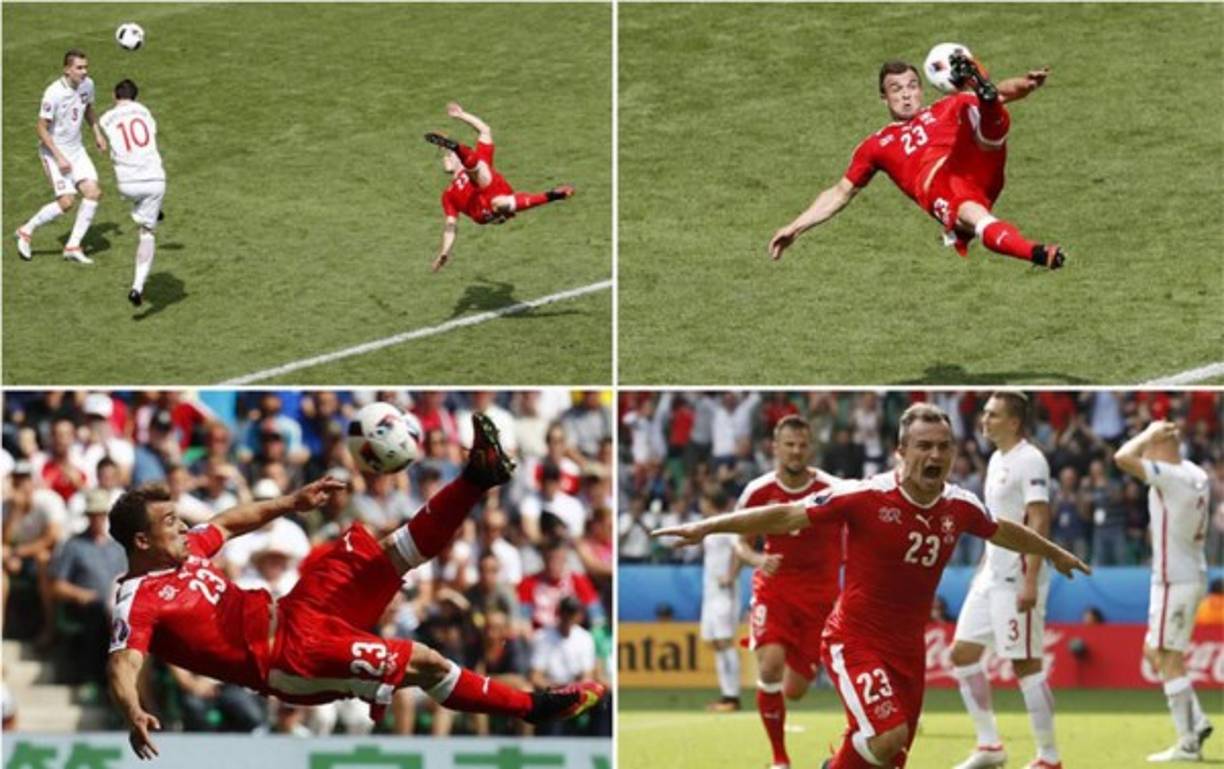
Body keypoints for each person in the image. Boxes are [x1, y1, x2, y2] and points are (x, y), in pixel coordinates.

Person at [107, 415, 605, 760]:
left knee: (387, 553)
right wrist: (133, 711)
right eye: (169, 523)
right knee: (426, 661)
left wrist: (291, 501)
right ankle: (533, 707)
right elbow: (123, 664)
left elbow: (228, 522)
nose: (182, 527)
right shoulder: (137, 599)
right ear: (142, 541)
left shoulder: (187, 549)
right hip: (290, 658)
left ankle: (478, 475)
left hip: (296, 609)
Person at [654, 403, 1089, 769]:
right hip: (854, 639)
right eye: (924, 446)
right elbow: (786, 515)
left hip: (908, 651)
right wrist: (706, 527)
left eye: (944, 446)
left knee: (889, 757)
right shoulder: (864, 496)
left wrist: (1053, 553)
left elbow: (1003, 530)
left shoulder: (960, 505)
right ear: (901, 452)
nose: (935, 454)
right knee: (886, 737)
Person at [768, 52, 1065, 270]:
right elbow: (840, 192)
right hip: (943, 186)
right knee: (977, 218)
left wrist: (1027, 84)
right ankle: (1038, 253)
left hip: (974, 162)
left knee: (972, 105)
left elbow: (1005, 92)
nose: (906, 95)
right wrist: (796, 227)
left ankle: (981, 93)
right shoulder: (875, 145)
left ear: (921, 90)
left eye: (912, 86)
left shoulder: (945, 106)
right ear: (884, 98)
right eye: (896, 90)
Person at [950, 392, 1059, 769]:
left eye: (993, 415)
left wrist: (1031, 578)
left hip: (1017, 576)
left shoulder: (1031, 459)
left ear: (1014, 422)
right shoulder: (998, 459)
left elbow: (1039, 519)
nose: (984, 420)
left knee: (1026, 665)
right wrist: (983, 566)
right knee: (961, 654)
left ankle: (1049, 757)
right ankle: (990, 745)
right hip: (991, 575)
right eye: (985, 413)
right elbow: (997, 522)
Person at [735, 415, 842, 768]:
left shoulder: (832, 489)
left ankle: (778, 707)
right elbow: (740, 541)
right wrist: (757, 559)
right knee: (770, 668)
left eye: (802, 445)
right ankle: (780, 759)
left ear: (810, 448)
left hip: (820, 597)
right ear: (775, 448)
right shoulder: (758, 491)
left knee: (794, 690)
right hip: (775, 590)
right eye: (789, 445)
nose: (796, 451)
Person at [1114, 420, 1214, 762]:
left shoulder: (1170, 476)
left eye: (1149, 445)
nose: (1145, 451)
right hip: (1187, 574)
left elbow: (1121, 458)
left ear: (1160, 444)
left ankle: (1188, 743)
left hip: (1175, 579)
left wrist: (1146, 434)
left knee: (1167, 656)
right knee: (1153, 651)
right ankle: (1196, 721)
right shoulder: (1195, 472)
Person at [426, 102, 575, 271]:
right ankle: (550, 196)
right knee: (484, 178)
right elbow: (450, 225)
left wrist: (461, 115)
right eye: (448, 156)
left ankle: (553, 195)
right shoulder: (448, 195)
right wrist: (444, 252)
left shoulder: (476, 161)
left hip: (496, 192)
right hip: (482, 211)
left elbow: (485, 130)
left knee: (484, 173)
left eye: (450, 154)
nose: (448, 158)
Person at [15, 49, 107, 264]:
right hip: (54, 151)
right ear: (67, 70)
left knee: (93, 192)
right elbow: (41, 128)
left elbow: (88, 109)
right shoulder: (53, 93)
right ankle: (26, 231)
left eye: (85, 67)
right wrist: (59, 157)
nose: (84, 72)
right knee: (66, 202)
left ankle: (73, 246)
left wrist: (97, 133)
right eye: (79, 68)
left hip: (77, 150)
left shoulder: (88, 85)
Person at [98, 79, 167, 307]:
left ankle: (150, 210)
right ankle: (137, 287)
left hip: (126, 183)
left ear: (114, 95)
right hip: (154, 180)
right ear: (136, 97)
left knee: (140, 201)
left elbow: (102, 130)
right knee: (147, 233)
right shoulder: (145, 112)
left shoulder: (106, 117)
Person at [698, 484, 743, 713]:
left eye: (703, 501)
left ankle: (733, 696)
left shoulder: (728, 523)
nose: (700, 505)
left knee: (725, 640)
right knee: (715, 642)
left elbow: (739, 549)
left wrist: (731, 575)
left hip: (725, 591)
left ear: (710, 502)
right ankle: (726, 694)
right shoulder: (710, 525)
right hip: (711, 591)